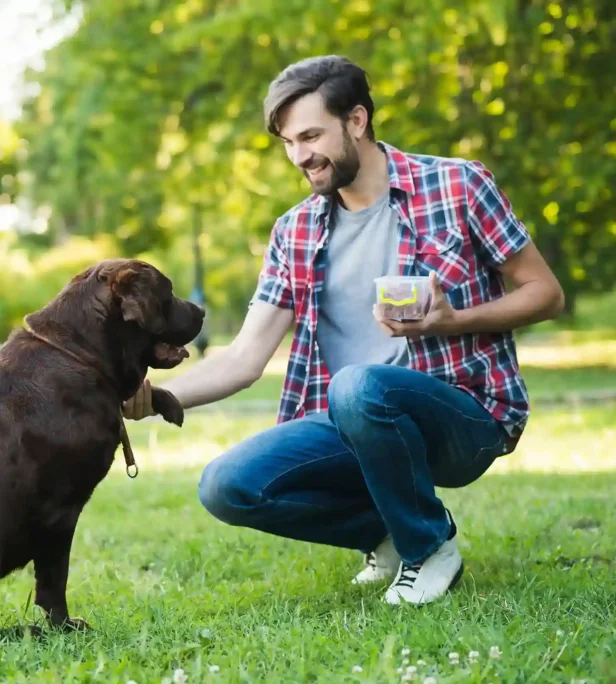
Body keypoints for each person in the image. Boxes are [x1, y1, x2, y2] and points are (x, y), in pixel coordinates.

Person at [121, 55, 565, 605]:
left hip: (465, 414)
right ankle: (391, 535)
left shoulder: (457, 186)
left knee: (358, 385)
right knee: (227, 486)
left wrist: (454, 319)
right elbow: (243, 358)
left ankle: (430, 548)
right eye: (287, 142)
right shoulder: (295, 230)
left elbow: (545, 293)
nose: (299, 155)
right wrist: (152, 396)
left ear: (357, 120)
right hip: (354, 422)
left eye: (310, 135)